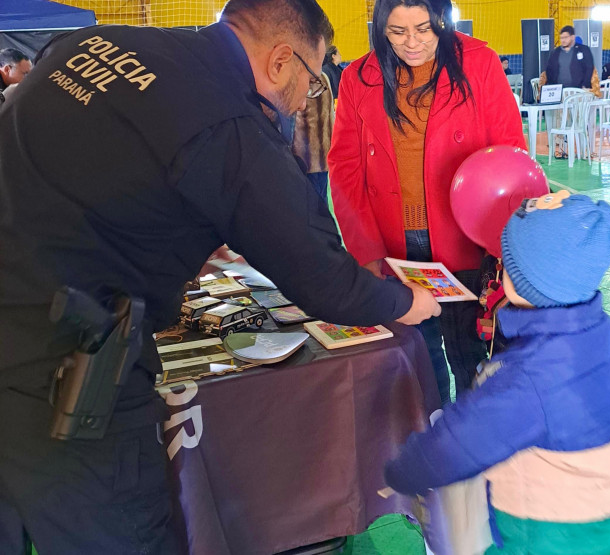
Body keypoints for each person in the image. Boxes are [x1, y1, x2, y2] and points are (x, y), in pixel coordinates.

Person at [0, 0, 442, 552]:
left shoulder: (99, 44)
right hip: (60, 369)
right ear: (282, 60)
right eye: (312, 78)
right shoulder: (229, 124)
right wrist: (405, 303)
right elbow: (325, 279)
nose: (307, 97)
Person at [385, 192, 610, 554]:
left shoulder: (530, 377)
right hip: (603, 514)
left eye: (507, 262)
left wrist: (402, 470)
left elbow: (456, 444)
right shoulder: (595, 330)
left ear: (518, 282)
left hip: (545, 531)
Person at [328, 0, 526, 405]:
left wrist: (510, 244)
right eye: (397, 32)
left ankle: (478, 451)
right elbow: (344, 168)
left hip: (468, 239)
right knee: (414, 357)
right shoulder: (357, 77)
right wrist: (365, 249)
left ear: (442, 20)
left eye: (424, 29)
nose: (412, 43)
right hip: (395, 246)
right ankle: (431, 441)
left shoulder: (479, 62)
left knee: (472, 356)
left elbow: (510, 154)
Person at [293, 71, 334, 201]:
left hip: (303, 154)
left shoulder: (295, 80)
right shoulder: (324, 77)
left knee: (309, 201)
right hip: (323, 151)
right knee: (321, 197)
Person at [544, 25, 594, 90]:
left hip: (579, 90)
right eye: (561, 38)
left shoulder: (583, 50)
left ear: (572, 37)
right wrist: (551, 85)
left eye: (565, 37)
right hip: (559, 90)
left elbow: (589, 68)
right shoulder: (555, 52)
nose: (563, 40)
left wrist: (585, 85)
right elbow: (549, 70)